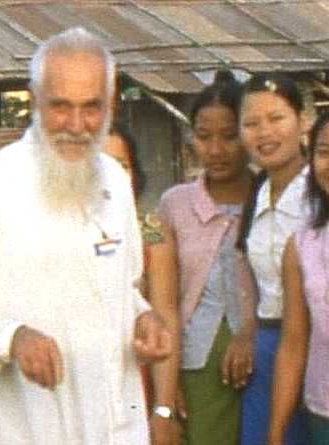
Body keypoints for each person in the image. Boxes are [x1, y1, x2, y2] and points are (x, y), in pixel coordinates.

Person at [0, 27, 172, 445]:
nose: (76, 125)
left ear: (110, 105)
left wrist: (143, 319)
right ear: (34, 101)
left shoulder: (114, 181)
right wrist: (10, 338)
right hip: (17, 426)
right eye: (61, 107)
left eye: (91, 108)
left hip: (109, 424)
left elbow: (121, 287)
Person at [157, 71, 256, 445]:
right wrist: (167, 388)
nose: (215, 150)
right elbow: (161, 299)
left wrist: (249, 333)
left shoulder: (271, 199)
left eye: (229, 136)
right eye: (203, 136)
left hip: (264, 360)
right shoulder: (172, 205)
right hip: (194, 366)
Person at [267, 101, 329, 445]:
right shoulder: (301, 244)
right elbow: (294, 342)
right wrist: (276, 430)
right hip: (325, 413)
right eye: (324, 153)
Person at [236, 73, 310, 445]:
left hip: (319, 347)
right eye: (251, 123)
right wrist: (247, 332)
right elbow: (248, 270)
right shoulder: (258, 191)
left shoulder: (325, 189)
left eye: (276, 118)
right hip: (267, 346)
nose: (264, 132)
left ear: (304, 120)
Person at [104, 123, 181, 445]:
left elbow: (166, 316)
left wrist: (163, 410)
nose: (112, 176)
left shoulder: (151, 233)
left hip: (136, 380)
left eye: (121, 165)